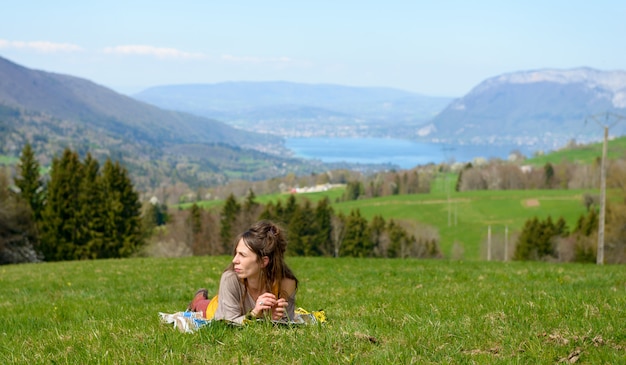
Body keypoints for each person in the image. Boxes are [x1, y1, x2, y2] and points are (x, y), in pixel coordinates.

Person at [187, 220, 298, 324]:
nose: (234, 260)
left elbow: (286, 322)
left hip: (237, 311)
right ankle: (198, 299)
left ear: (263, 262)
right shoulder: (230, 278)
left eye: (242, 255)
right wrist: (254, 314)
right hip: (217, 308)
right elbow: (226, 323)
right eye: (236, 253)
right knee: (203, 306)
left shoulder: (286, 282)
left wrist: (273, 319)